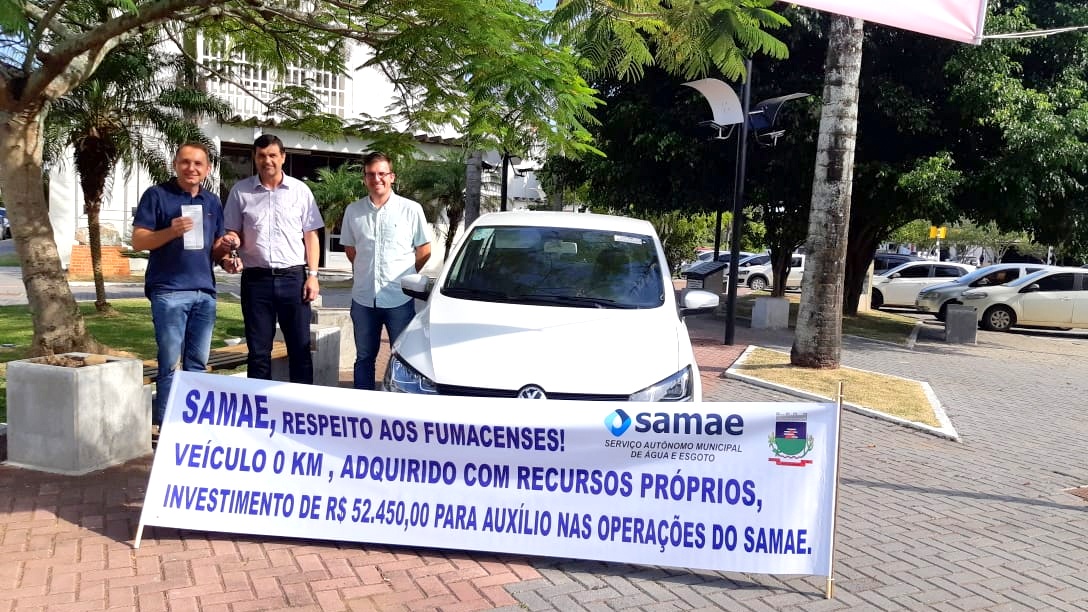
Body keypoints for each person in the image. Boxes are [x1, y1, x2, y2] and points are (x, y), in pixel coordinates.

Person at [132, 142, 238, 428]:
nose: (192, 168)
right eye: (185, 162)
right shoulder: (157, 196)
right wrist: (171, 231)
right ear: (175, 164)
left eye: (198, 164)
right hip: (168, 292)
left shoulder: (212, 201)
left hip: (205, 292)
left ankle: (192, 425)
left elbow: (215, 248)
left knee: (198, 365)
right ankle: (168, 425)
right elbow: (139, 240)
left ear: (208, 169)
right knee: (168, 365)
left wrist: (227, 256)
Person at [223, 134, 324, 384]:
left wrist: (312, 276)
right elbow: (231, 230)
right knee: (258, 352)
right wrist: (233, 242)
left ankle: (301, 411)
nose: (267, 160)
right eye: (261, 156)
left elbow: (311, 236)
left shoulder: (300, 191)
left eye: (272, 155)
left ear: (283, 158)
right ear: (255, 158)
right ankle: (259, 412)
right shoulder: (241, 191)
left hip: (294, 280)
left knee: (300, 349)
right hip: (256, 281)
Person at [339, 152, 431, 390]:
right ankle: (362, 412)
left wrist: (405, 277)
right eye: (371, 174)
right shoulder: (353, 211)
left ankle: (396, 413)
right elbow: (351, 250)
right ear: (364, 178)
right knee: (364, 358)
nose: (376, 178)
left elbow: (424, 250)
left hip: (399, 299)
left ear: (392, 177)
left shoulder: (411, 210)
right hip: (363, 300)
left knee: (404, 359)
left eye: (382, 173)